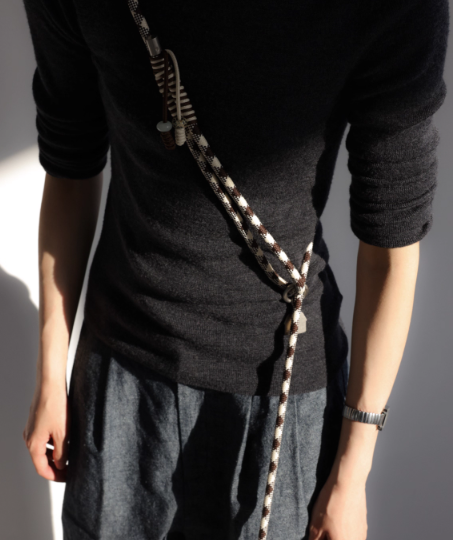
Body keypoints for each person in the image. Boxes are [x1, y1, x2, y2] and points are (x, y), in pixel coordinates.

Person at [21, 0, 449, 539]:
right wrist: (49, 374)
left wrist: (352, 468)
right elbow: (70, 164)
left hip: (281, 394)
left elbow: (391, 243)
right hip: (116, 377)